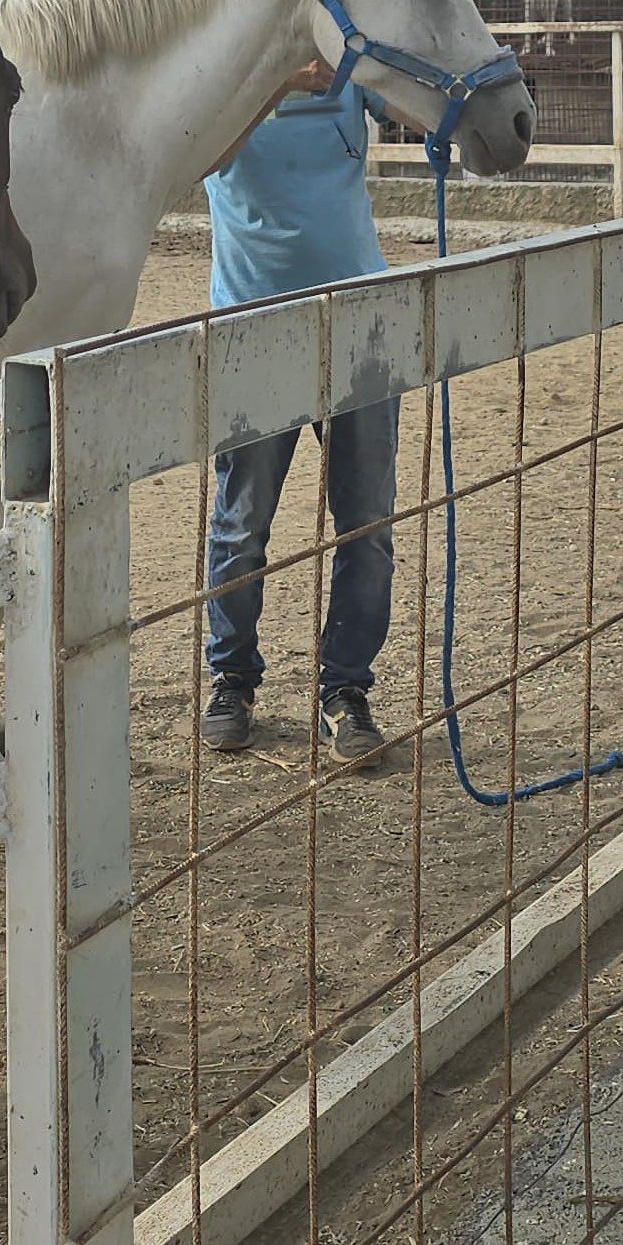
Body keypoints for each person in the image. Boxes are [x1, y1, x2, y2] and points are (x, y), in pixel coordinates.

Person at [200, 54, 399, 765]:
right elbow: (203, 153)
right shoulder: (226, 82)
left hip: (362, 324)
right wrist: (275, 80)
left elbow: (413, 101)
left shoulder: (354, 69)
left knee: (368, 524)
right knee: (241, 521)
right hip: (253, 332)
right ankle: (231, 677)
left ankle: (346, 690)